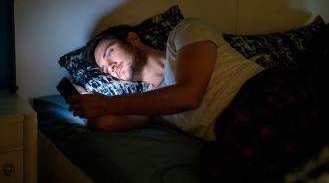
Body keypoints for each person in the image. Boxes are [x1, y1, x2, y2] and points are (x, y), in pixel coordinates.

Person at [67, 18, 264, 141]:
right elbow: (105, 123)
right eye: (103, 68)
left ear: (133, 38)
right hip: (240, 134)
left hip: (260, 95)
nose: (110, 66)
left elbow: (188, 95)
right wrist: (82, 97)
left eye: (109, 53)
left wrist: (105, 104)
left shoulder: (185, 32)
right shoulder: (151, 104)